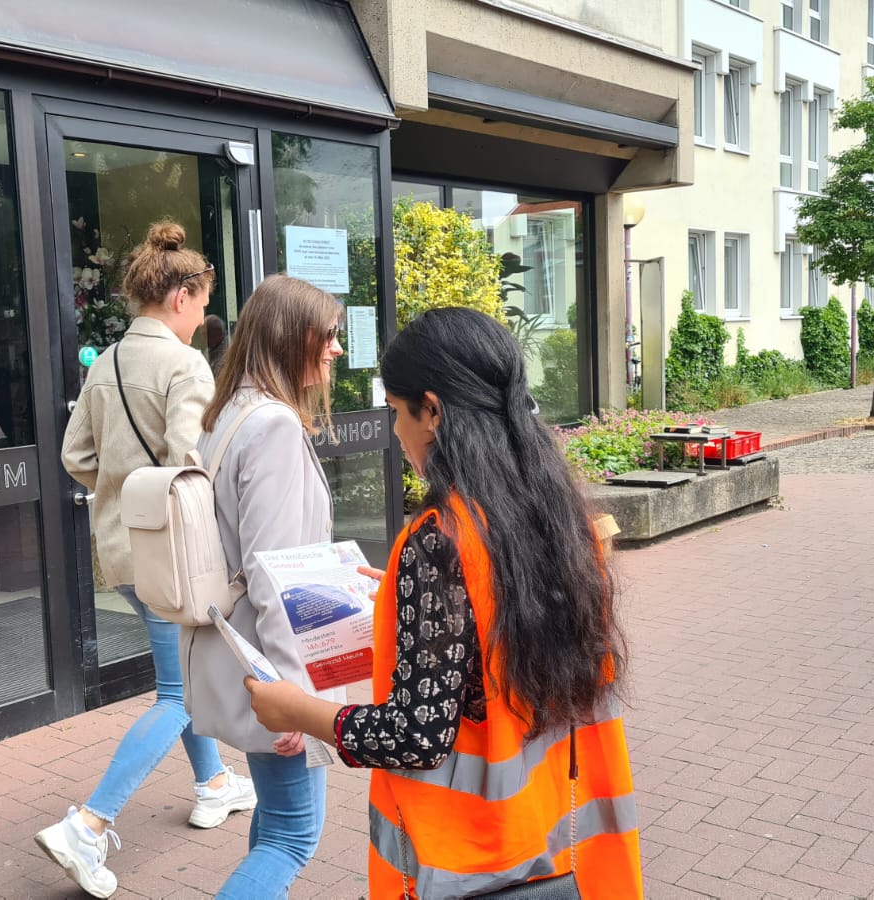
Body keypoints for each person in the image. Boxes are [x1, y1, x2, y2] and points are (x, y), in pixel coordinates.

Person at [245, 307, 644, 898]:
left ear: (431, 411)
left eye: (396, 411)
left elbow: (415, 735)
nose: (395, 431)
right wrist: (408, 607)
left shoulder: (439, 541)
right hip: (567, 851)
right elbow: (504, 637)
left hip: (465, 866)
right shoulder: (560, 521)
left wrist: (295, 710)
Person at [42, 221, 256, 898]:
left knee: (181, 672)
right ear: (181, 297)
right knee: (178, 692)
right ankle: (88, 824)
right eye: (202, 303)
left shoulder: (104, 362)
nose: (202, 318)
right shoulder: (184, 365)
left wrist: (123, 494)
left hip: (122, 548)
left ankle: (213, 783)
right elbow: (189, 465)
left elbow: (76, 456)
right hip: (174, 555)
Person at [181, 274, 345, 898]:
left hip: (242, 651)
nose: (335, 349)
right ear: (289, 337)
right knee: (293, 834)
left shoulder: (228, 413)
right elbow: (277, 570)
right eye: (326, 335)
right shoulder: (273, 423)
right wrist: (294, 691)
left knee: (275, 824)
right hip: (272, 662)